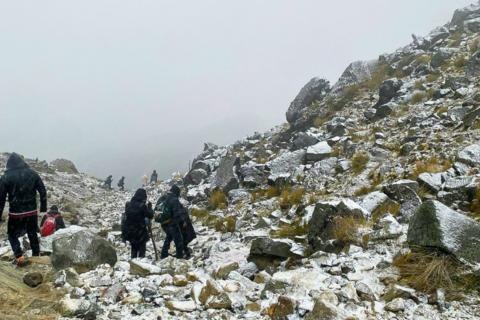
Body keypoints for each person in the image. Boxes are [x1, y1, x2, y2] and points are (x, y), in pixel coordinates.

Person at [0, 153, 47, 266]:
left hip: (16, 213)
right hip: (31, 212)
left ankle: (19, 256)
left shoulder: (6, 177)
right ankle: (36, 255)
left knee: (12, 235)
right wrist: (43, 207)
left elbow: (0, 198)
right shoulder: (32, 173)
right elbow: (42, 190)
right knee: (32, 232)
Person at [158, 185, 193, 259]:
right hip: (171, 223)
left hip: (163, 222)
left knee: (169, 237)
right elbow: (177, 212)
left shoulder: (163, 197)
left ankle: (163, 255)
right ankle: (179, 257)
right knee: (178, 240)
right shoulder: (174, 199)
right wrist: (183, 221)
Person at [122, 188, 154, 259]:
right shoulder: (142, 206)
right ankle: (140, 263)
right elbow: (150, 215)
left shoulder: (129, 205)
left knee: (134, 248)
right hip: (140, 231)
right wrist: (150, 208)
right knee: (142, 249)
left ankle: (133, 262)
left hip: (130, 231)